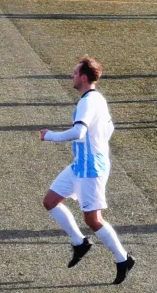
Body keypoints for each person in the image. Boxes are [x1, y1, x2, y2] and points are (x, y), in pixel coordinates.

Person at [41, 57, 135, 284]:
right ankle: (79, 242)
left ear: (83, 77)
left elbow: (79, 133)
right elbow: (109, 127)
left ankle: (123, 259)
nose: (71, 77)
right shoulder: (96, 99)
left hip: (91, 168)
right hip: (80, 164)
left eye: (74, 73)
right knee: (50, 201)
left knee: (93, 219)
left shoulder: (88, 102)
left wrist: (50, 136)